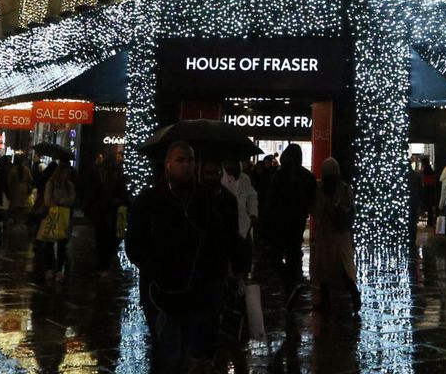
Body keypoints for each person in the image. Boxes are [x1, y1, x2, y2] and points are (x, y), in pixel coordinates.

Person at [128, 142, 244, 374]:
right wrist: (156, 271)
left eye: (190, 160)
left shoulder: (205, 198)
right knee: (168, 354)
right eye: (181, 160)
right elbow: (134, 245)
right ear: (168, 164)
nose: (187, 165)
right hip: (162, 293)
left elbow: (220, 239)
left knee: (194, 353)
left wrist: (224, 273)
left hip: (200, 290)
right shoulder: (150, 199)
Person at [262, 143, 317, 291]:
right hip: (297, 221)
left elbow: (271, 200)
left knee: (275, 255)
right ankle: (293, 284)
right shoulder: (308, 177)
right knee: (293, 254)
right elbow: (312, 201)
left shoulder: (279, 175)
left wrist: (265, 220)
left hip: (279, 221)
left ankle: (289, 282)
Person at [312, 158, 359, 313]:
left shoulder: (321, 190)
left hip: (327, 234)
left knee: (325, 267)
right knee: (344, 267)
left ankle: (326, 301)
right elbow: (351, 210)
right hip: (342, 234)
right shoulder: (345, 189)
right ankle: (354, 295)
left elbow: (317, 211)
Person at [36, 158, 77, 285]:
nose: (66, 175)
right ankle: (49, 269)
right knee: (48, 244)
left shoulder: (69, 185)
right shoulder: (51, 183)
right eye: (64, 173)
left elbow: (72, 199)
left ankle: (59, 270)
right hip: (52, 216)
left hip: (64, 216)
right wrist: (56, 202)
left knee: (62, 245)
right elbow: (47, 200)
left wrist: (62, 202)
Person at [221, 158, 261, 267]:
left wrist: (253, 213)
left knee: (244, 256)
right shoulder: (220, 178)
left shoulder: (245, 178)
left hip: (243, 223)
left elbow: (252, 196)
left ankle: (241, 278)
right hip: (225, 223)